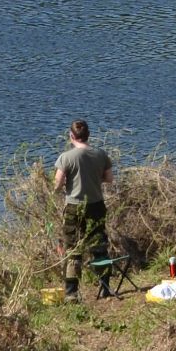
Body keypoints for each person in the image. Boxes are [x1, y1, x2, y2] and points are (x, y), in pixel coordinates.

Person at [53, 119, 114, 302]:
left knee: (73, 248)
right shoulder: (101, 154)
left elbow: (57, 184)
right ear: (88, 135)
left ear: (71, 136)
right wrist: (93, 179)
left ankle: (71, 293)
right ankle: (105, 287)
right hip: (96, 205)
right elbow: (109, 178)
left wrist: (62, 186)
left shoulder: (66, 157)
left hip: (74, 207)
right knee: (99, 246)